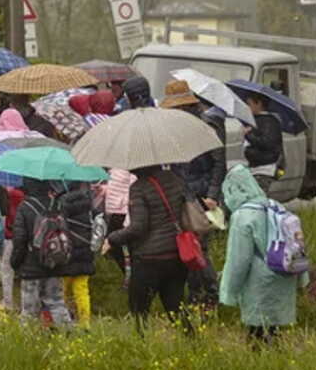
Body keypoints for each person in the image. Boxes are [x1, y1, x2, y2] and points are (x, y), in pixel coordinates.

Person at [219, 164, 307, 345]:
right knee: (273, 331)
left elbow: (239, 260)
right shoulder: (275, 206)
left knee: (257, 333)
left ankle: (263, 368)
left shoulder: (242, 216)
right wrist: (302, 278)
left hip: (259, 281)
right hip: (283, 271)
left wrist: (229, 291)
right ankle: (276, 363)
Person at [104, 165, 191, 332]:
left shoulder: (139, 188)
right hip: (176, 253)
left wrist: (112, 239)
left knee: (139, 310)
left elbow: (138, 227)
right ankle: (192, 345)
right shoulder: (174, 179)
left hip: (149, 259)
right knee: (175, 307)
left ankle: (142, 348)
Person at [162, 79, 225, 306]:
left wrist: (213, 195)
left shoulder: (208, 125)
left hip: (202, 197)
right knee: (188, 246)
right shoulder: (175, 129)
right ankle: (195, 294)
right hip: (183, 193)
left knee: (201, 249)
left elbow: (219, 163)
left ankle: (210, 295)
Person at [11, 179, 73, 326]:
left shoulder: (25, 207)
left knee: (29, 309)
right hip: (53, 262)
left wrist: (15, 262)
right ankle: (67, 337)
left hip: (31, 265)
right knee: (57, 302)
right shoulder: (57, 205)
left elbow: (20, 239)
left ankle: (26, 343)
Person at [54, 181, 96, 327]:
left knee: (64, 288)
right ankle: (85, 323)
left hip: (68, 250)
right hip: (85, 249)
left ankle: (66, 319)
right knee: (82, 288)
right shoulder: (88, 203)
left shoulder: (63, 204)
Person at [0, 184, 24, 309]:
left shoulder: (10, 194)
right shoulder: (21, 195)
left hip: (10, 235)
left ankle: (8, 302)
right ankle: (25, 303)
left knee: (6, 269)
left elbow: (4, 216)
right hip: (25, 236)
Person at [242, 92, 283, 195]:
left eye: (249, 104)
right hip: (256, 168)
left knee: (258, 200)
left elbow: (267, 143)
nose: (247, 107)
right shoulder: (257, 120)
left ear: (258, 104)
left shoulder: (269, 122)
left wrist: (249, 134)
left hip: (264, 169)